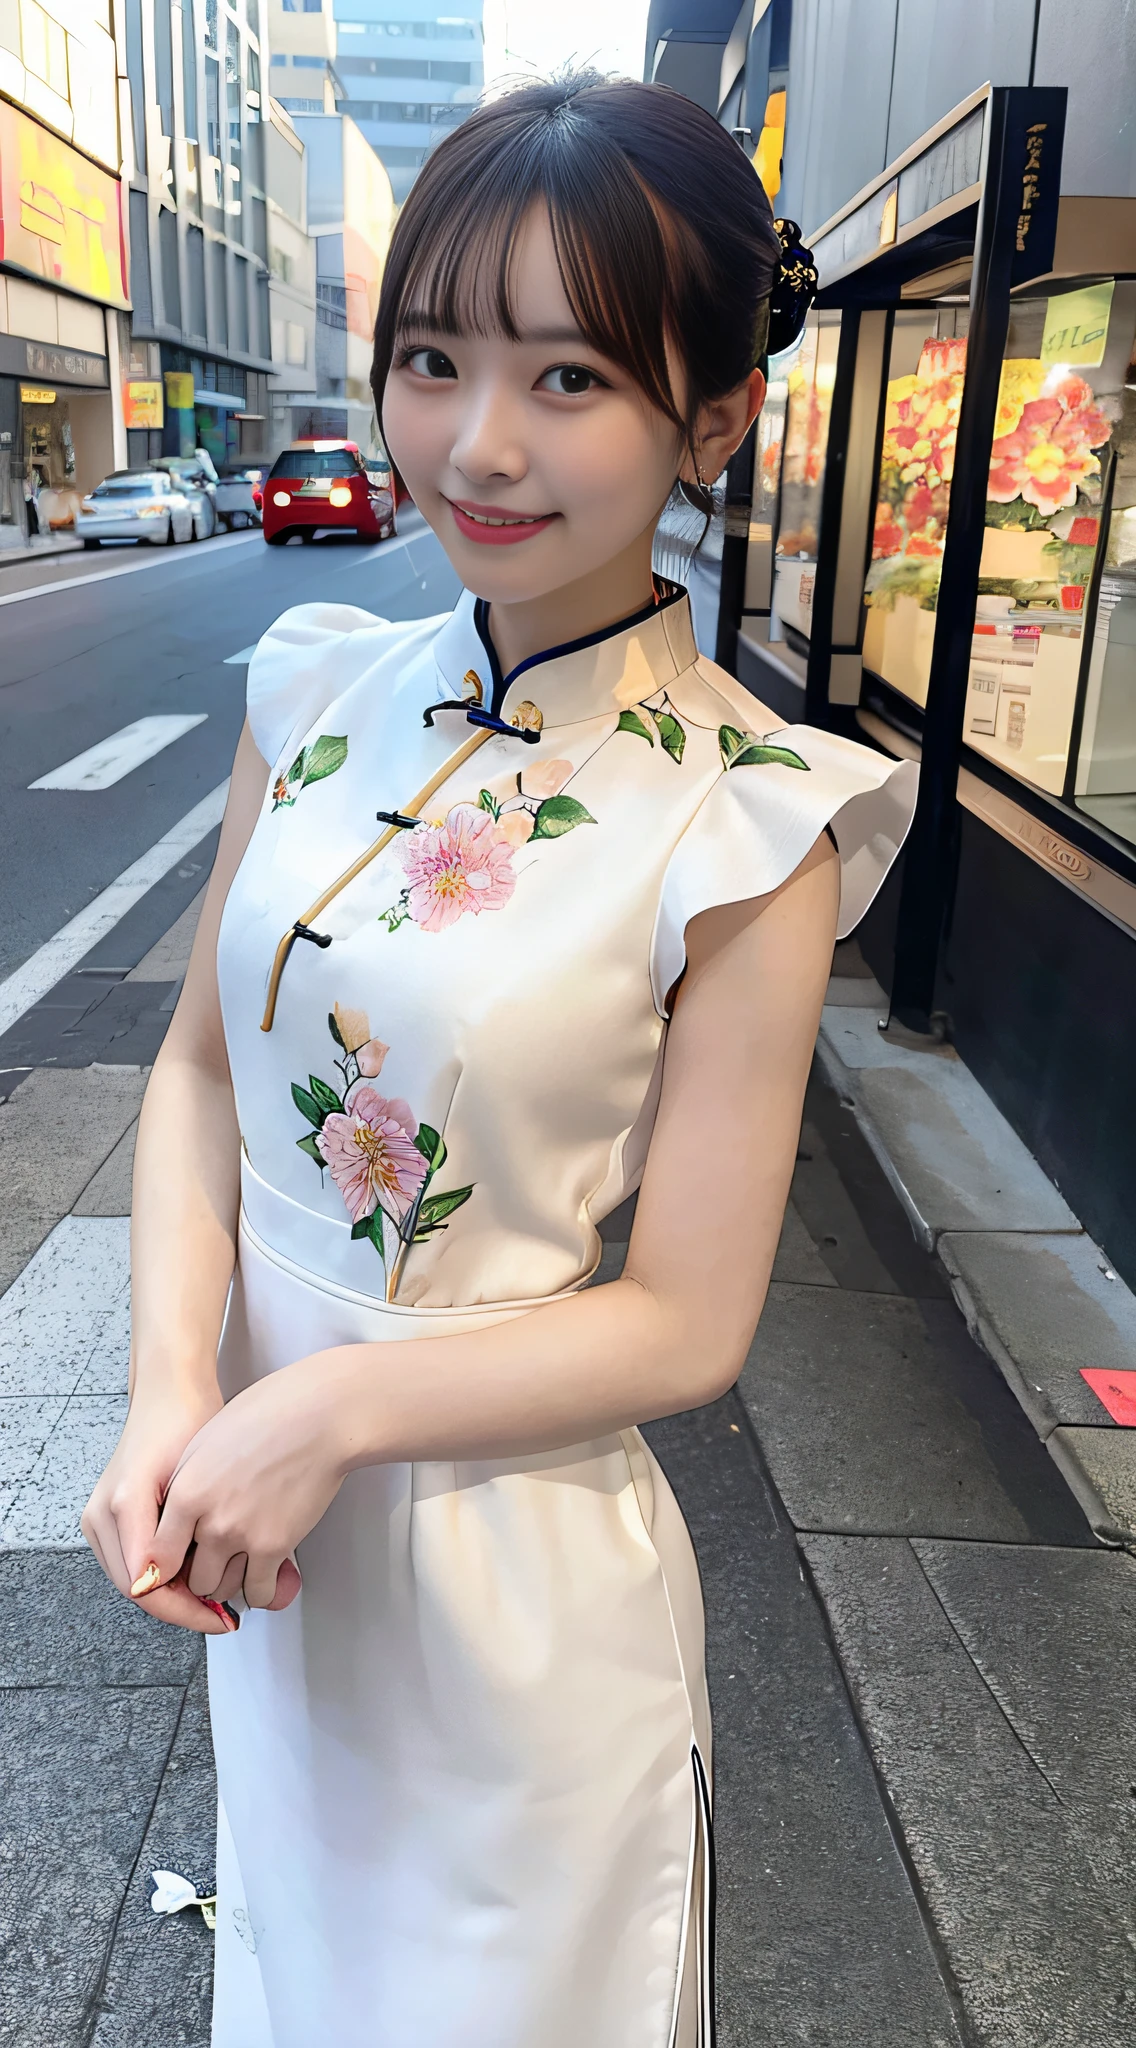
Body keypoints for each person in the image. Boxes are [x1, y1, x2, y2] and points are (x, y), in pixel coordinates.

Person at [83, 74, 917, 2047]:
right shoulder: (311, 689)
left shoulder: (748, 814)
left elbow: (687, 1320)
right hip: (276, 1580)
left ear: (711, 417)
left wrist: (332, 1415)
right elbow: (202, 1071)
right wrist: (175, 1393)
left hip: (506, 1603)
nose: (476, 442)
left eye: (569, 380)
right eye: (436, 358)